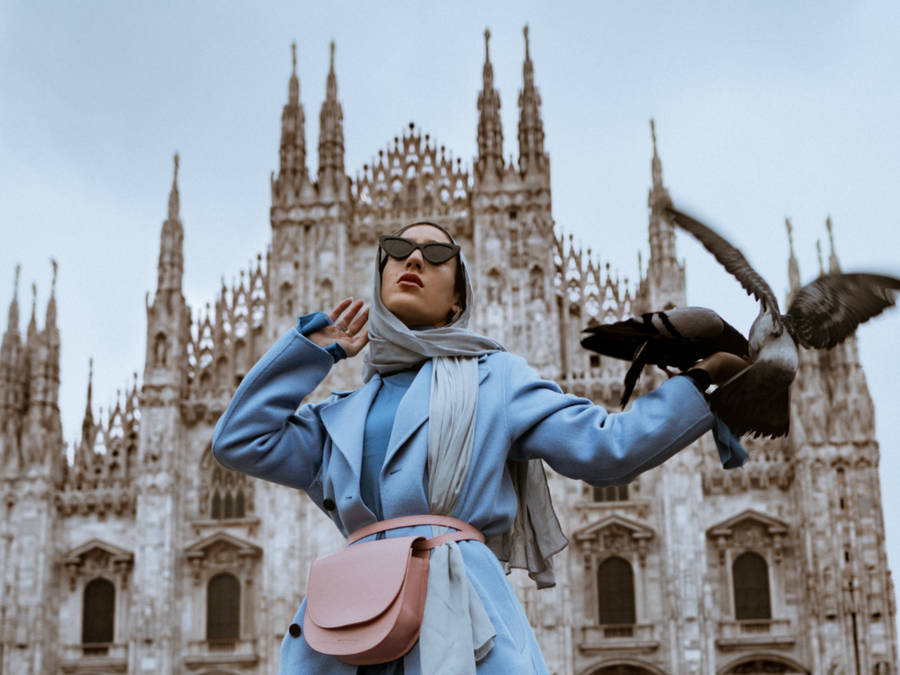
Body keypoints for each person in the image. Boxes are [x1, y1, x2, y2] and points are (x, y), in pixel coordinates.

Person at [212, 221, 748, 674]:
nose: (414, 258)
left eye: (437, 254)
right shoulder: (338, 414)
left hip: (460, 612)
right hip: (351, 615)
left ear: (458, 299)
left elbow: (607, 448)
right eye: (397, 252)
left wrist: (704, 386)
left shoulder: (495, 379)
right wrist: (311, 352)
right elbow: (240, 440)